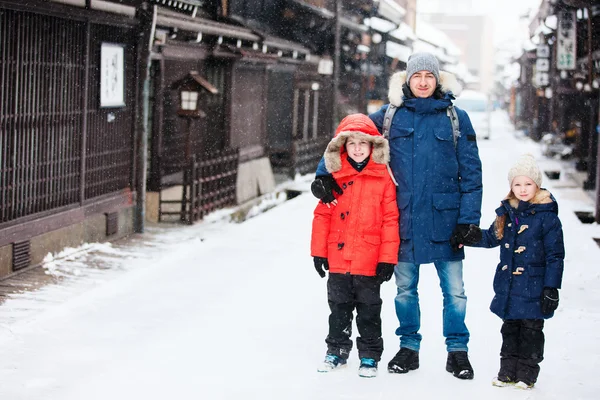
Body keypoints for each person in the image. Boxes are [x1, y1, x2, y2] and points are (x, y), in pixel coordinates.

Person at [311, 52, 483, 379]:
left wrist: (468, 220)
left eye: (428, 77)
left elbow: (472, 173)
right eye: (416, 76)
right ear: (407, 80)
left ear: (437, 80)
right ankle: (409, 347)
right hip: (402, 219)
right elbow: (352, 135)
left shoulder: (456, 118)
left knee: (455, 291)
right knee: (406, 289)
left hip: (446, 221)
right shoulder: (389, 116)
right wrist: (324, 175)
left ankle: (457, 351)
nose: (422, 82)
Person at [311, 113, 400, 378]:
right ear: (343, 147)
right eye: (352, 143)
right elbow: (322, 214)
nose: (358, 148)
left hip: (369, 259)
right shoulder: (334, 177)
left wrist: (388, 258)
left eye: (363, 143)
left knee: (369, 310)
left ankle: (370, 355)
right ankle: (336, 350)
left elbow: (390, 220)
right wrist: (318, 252)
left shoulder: (383, 178)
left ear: (373, 146)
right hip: (338, 257)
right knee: (338, 307)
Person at [466, 154, 565, 389]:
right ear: (511, 187)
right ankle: (507, 371)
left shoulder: (547, 218)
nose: (522, 189)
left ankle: (527, 374)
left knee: (531, 330)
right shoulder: (507, 213)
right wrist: (470, 236)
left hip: (535, 285)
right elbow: (492, 237)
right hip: (509, 286)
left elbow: (555, 255)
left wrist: (551, 287)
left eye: (528, 184)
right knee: (509, 330)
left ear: (537, 185)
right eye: (517, 184)